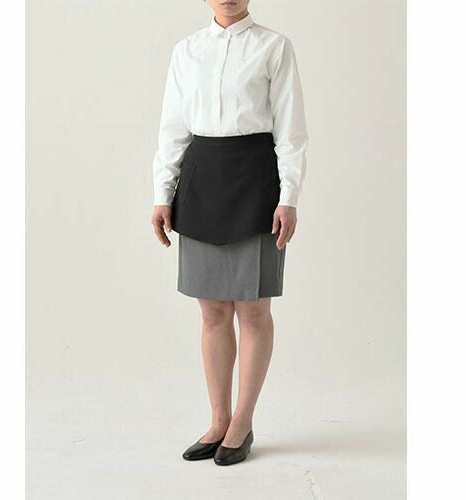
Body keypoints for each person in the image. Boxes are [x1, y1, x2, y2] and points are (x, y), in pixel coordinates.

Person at [150, 0, 309, 466]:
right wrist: (162, 194)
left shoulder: (274, 47)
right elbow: (172, 129)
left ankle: (242, 422)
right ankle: (218, 420)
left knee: (253, 310)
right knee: (212, 311)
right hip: (201, 181)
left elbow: (291, 130)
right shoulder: (186, 50)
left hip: (256, 181)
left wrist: (289, 196)